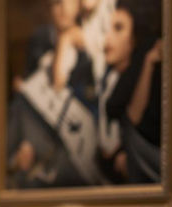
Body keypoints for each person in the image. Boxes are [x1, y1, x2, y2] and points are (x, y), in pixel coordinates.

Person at [7, 0, 102, 188]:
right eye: (56, 2)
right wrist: (22, 151)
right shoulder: (40, 42)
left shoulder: (92, 46)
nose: (63, 7)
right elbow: (28, 91)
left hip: (75, 160)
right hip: (36, 143)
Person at [96, 0, 161, 183]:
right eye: (105, 29)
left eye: (118, 28)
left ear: (134, 38)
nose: (108, 38)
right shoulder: (105, 82)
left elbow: (133, 120)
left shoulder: (145, 72)